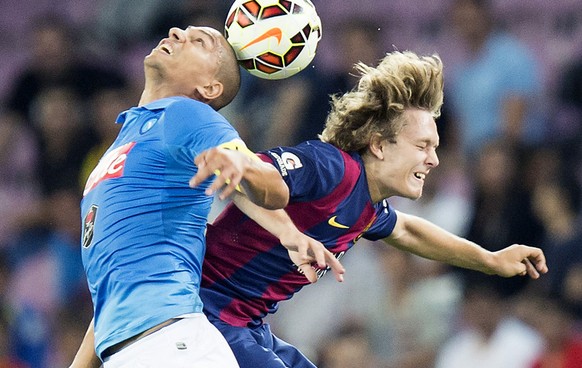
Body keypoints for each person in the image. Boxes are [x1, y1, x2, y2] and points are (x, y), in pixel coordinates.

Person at [72, 50, 547, 367]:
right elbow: (261, 177)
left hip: (246, 325)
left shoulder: (364, 204)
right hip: (205, 316)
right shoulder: (331, 167)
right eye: (423, 145)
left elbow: (409, 232)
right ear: (379, 145)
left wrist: (489, 259)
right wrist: (252, 186)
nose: (434, 159)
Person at [68, 25, 343, 368]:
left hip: (172, 345)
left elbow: (256, 181)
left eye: (199, 41)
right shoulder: (128, 138)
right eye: (185, 33)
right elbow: (111, 289)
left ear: (209, 88)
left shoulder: (187, 114)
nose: (176, 32)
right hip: (131, 350)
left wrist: (288, 233)